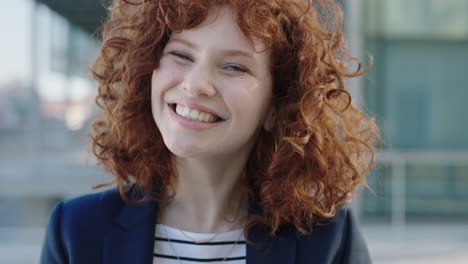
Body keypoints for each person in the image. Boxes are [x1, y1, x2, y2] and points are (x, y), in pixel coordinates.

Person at [40, 0, 380, 263]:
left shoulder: (328, 240)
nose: (196, 84)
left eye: (234, 66)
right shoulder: (76, 230)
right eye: (181, 55)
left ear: (277, 107)